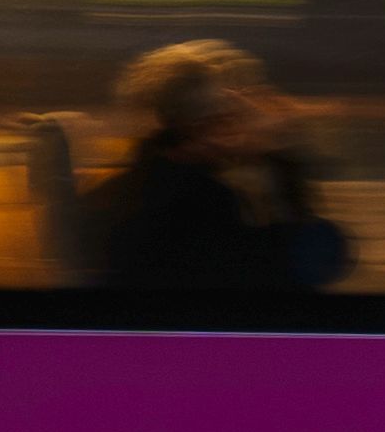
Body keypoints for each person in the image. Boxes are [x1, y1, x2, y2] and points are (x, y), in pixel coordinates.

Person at [77, 38, 335, 293]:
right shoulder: (208, 204)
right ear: (203, 130)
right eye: (226, 119)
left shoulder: (115, 191)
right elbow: (308, 266)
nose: (237, 128)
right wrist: (278, 152)